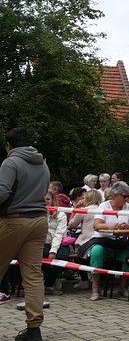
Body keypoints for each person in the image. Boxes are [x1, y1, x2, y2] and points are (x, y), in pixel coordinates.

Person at [0, 127, 50, 341]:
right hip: (39, 220)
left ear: (9, 145)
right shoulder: (43, 164)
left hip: (14, 220)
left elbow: (2, 192)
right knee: (33, 276)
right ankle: (34, 329)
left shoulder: (11, 162)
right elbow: (44, 191)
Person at [88, 182, 129, 301]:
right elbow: (97, 225)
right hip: (103, 241)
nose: (126, 199)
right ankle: (95, 288)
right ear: (115, 195)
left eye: (128, 196)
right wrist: (112, 226)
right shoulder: (103, 206)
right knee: (96, 252)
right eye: (124, 196)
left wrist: (128, 226)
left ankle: (123, 287)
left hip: (121, 242)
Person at [42, 189, 68, 295]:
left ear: (53, 200)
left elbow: (59, 234)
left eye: (48, 199)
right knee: (43, 255)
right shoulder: (38, 212)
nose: (45, 201)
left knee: (62, 258)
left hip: (59, 242)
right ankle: (49, 283)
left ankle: (49, 283)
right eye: (43, 199)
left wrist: (53, 251)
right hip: (43, 242)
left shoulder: (61, 214)